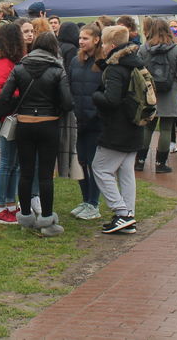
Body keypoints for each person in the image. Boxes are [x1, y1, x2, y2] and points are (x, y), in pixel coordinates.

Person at [0, 32, 73, 237]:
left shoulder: (19, 68)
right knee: (45, 175)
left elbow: (4, 97)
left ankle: (25, 216)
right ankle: (47, 219)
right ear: (53, 48)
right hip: (49, 123)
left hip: (25, 123)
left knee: (26, 172)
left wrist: (20, 105)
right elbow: (68, 102)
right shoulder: (57, 70)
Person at [92, 25, 143, 235]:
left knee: (100, 168)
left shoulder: (115, 68)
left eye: (104, 43)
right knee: (126, 172)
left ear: (112, 45)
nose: (102, 47)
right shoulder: (136, 63)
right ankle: (128, 215)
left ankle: (122, 212)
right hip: (135, 124)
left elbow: (111, 100)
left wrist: (95, 95)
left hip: (117, 127)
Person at [137, 17, 177, 173]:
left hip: (149, 93)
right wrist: (176, 85)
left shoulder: (143, 49)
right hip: (170, 92)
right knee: (166, 129)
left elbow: (138, 72)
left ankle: (140, 161)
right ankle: (160, 164)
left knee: (148, 128)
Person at [0, 23, 26, 224]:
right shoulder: (4, 62)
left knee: (14, 163)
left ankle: (10, 204)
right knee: (7, 163)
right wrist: (21, 92)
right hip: (8, 118)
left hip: (11, 117)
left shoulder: (8, 60)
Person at [69, 24, 104, 220]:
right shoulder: (76, 61)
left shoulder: (102, 62)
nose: (81, 42)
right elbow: (70, 87)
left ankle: (93, 203)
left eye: (85, 38)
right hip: (77, 119)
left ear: (96, 40)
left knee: (93, 163)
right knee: (80, 162)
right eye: (80, 38)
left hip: (95, 122)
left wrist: (96, 113)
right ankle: (85, 200)